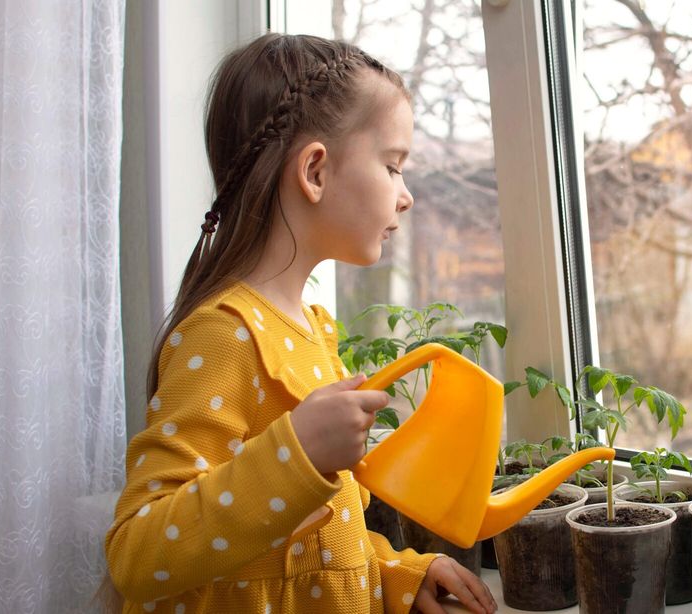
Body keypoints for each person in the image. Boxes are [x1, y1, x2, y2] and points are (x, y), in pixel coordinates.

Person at [103, 33, 497, 614]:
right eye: (392, 166)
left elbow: (311, 543)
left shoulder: (312, 330)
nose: (406, 196)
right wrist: (296, 455)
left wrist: (397, 572)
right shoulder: (223, 334)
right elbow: (137, 555)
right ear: (314, 170)